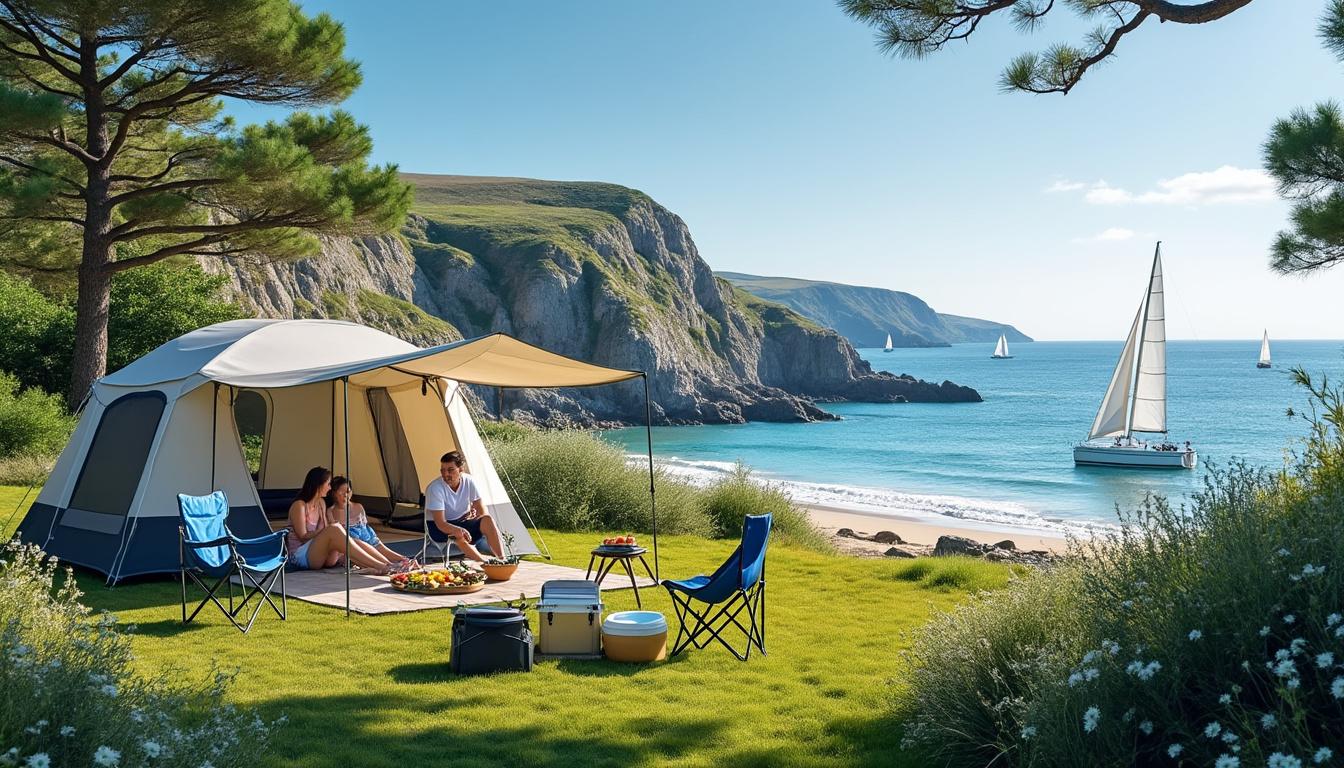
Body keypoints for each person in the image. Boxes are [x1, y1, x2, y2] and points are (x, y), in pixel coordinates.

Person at [286, 466, 402, 575]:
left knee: (352, 540)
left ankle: (390, 565)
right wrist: (329, 530)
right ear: (318, 485)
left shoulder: (321, 503)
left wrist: (333, 532)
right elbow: (303, 536)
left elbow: (325, 534)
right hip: (301, 556)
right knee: (335, 529)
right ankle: (382, 567)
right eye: (328, 484)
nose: (330, 488)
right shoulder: (299, 505)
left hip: (320, 555)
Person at [325, 476, 417, 572]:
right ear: (334, 493)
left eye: (348, 491)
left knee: (381, 548)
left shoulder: (358, 506)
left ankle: (405, 560)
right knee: (365, 550)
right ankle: (389, 565)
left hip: (365, 535)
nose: (345, 495)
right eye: (341, 492)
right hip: (352, 543)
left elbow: (367, 530)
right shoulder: (331, 511)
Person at [426, 451, 503, 563]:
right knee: (459, 534)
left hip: (462, 521)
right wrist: (458, 529)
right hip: (438, 528)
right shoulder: (435, 488)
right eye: (442, 470)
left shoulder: (469, 481)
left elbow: (481, 509)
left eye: (450, 470)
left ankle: (502, 560)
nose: (445, 474)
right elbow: (441, 523)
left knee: (487, 519)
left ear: (461, 469)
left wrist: (476, 516)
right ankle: (485, 564)